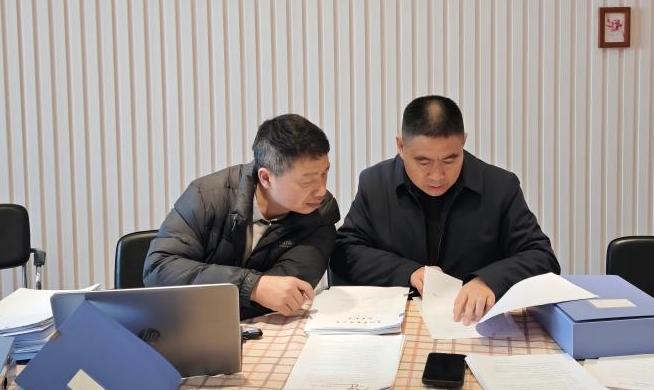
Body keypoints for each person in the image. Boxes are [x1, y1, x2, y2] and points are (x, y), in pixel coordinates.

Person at [330, 95, 560, 325]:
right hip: (398, 323)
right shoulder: (376, 184)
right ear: (400, 146)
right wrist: (408, 272)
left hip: (474, 324)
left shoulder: (499, 187)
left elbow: (541, 256)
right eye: (424, 162)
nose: (437, 175)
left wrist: (488, 280)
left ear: (463, 142)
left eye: (450, 160)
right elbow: (344, 251)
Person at [144, 114, 339, 320]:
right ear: (266, 178)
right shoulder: (206, 197)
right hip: (186, 321)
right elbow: (158, 270)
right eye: (307, 181)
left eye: (324, 174)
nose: (321, 190)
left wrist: (245, 290)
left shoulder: (321, 212)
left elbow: (288, 295)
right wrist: (252, 286)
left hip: (259, 326)